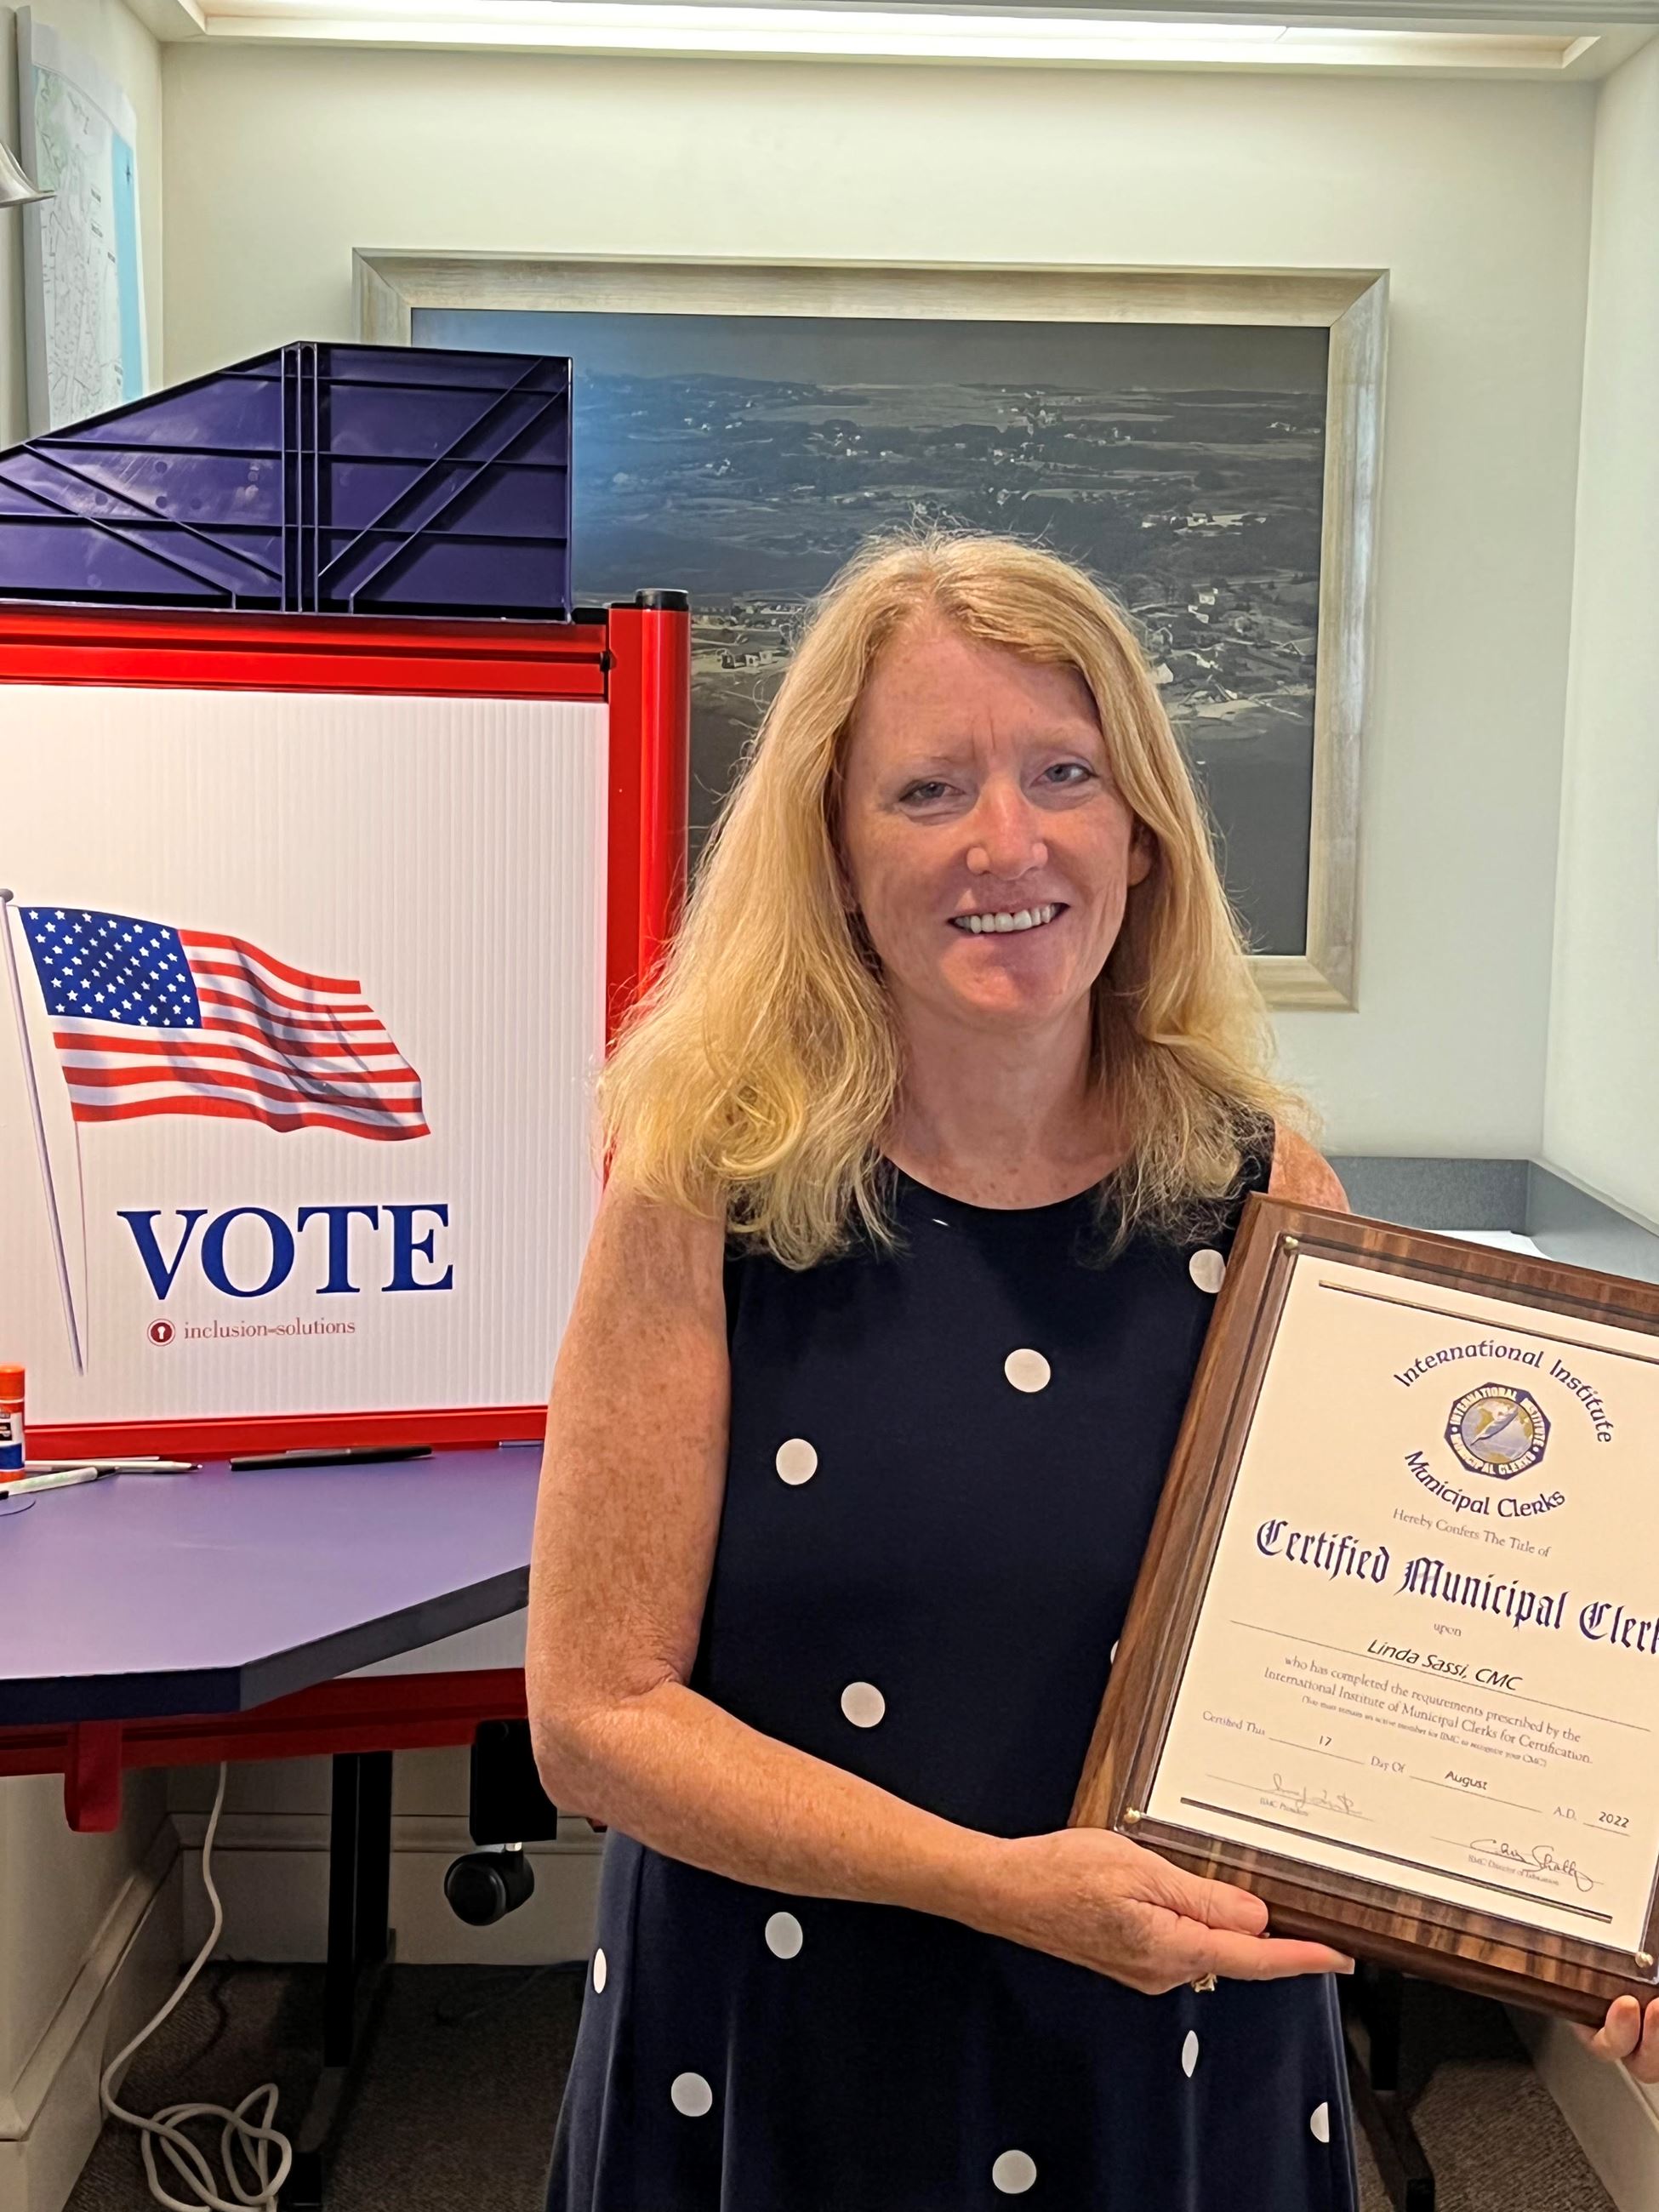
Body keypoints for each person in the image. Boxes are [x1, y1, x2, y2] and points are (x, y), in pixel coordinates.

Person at [527, 533, 1656, 2211]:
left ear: (1138, 827)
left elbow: (1416, 1633)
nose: (1012, 840)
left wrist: (1586, 1898)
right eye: (928, 790)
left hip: (1172, 2054)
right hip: (797, 2044)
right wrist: (995, 1883)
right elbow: (597, 1720)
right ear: (834, 851)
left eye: (1065, 771)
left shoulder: (1268, 1191)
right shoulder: (708, 1192)